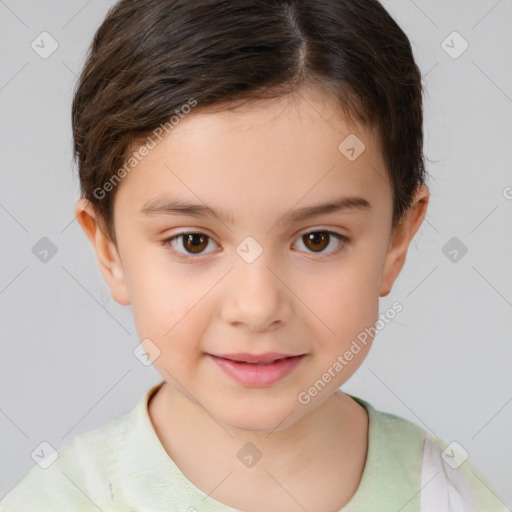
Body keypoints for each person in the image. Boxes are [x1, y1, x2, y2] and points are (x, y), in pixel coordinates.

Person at [1, 0, 509, 510]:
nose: (258, 306)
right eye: (193, 241)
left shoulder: (449, 496)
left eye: (318, 239)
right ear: (108, 248)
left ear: (397, 239)